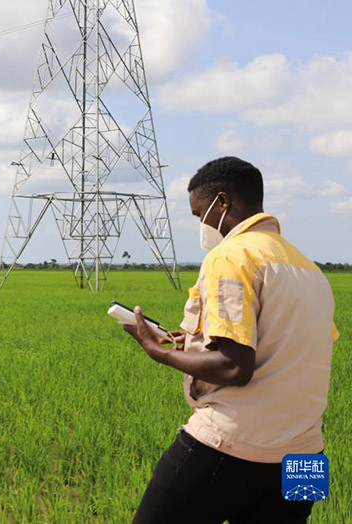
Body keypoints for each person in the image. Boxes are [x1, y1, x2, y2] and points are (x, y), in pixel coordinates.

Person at [124, 157, 340, 523]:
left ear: (221, 202)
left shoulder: (231, 255)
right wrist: (192, 339)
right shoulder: (310, 269)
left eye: (198, 214)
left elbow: (234, 366)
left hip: (235, 443)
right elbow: (283, 342)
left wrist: (156, 351)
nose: (201, 225)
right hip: (307, 458)